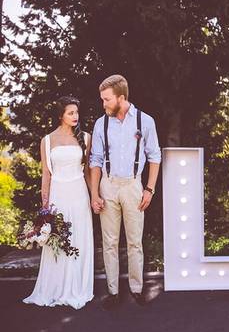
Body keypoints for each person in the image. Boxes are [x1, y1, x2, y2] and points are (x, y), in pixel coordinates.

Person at [89, 74, 161, 308]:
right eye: (102, 99)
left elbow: (155, 156)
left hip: (133, 185)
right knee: (109, 242)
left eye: (107, 99)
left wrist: (149, 188)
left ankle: (137, 288)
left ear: (121, 97)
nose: (104, 104)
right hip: (108, 185)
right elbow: (96, 160)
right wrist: (94, 194)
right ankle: (112, 292)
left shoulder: (145, 121)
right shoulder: (102, 123)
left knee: (134, 242)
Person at [24, 96, 94, 309]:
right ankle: (55, 287)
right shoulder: (47, 140)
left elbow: (90, 173)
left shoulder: (86, 138)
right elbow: (46, 174)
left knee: (79, 238)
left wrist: (94, 197)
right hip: (58, 194)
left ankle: (78, 286)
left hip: (79, 193)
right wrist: (45, 207)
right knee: (59, 239)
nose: (75, 116)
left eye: (76, 112)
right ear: (60, 115)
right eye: (70, 113)